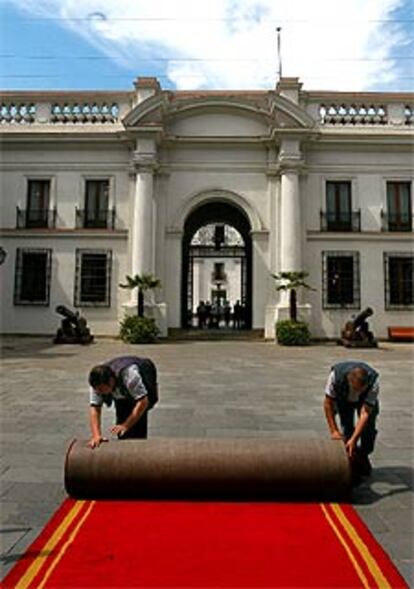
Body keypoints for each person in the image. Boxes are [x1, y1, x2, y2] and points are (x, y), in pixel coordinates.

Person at [88, 355, 158, 448]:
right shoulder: (96, 382)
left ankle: (138, 451)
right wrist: (96, 435)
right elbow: (95, 409)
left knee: (137, 426)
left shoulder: (130, 376)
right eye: (97, 390)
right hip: (123, 392)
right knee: (122, 427)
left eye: (101, 389)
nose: (99, 393)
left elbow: (143, 402)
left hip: (144, 380)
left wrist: (126, 425)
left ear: (111, 381)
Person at [323, 360, 379, 477]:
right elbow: (328, 403)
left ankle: (363, 455)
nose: (358, 392)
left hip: (365, 403)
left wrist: (355, 439)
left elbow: (365, 413)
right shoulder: (335, 377)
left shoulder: (373, 382)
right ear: (349, 380)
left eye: (361, 390)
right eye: (355, 389)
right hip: (344, 399)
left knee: (368, 430)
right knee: (347, 427)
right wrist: (334, 431)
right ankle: (350, 459)